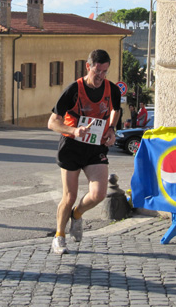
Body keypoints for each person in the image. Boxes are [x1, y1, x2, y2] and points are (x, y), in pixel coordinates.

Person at [47, 49, 121, 255]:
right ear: (88, 67)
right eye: (97, 71)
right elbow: (52, 122)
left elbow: (117, 109)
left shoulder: (112, 89)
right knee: (69, 197)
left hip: (95, 146)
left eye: (105, 72)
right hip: (72, 146)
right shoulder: (73, 90)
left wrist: (112, 129)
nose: (101, 76)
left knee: (99, 194)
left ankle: (77, 215)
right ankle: (59, 237)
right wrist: (73, 130)